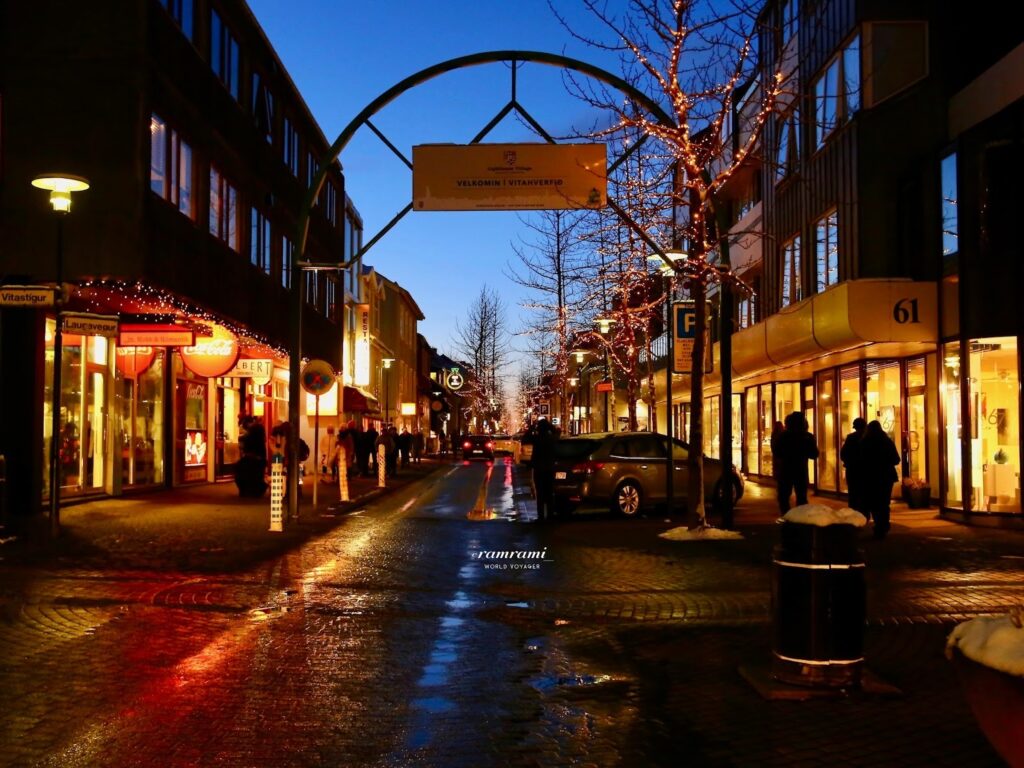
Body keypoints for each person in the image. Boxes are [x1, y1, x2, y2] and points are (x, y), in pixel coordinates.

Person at [772, 411, 820, 515]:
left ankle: (787, 516)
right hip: (801, 470)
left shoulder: (783, 436)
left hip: (785, 469)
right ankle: (800, 518)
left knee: (783, 497)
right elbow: (814, 454)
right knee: (801, 497)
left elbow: (777, 452)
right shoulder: (807, 437)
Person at [861, 419, 901, 539]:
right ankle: (883, 525)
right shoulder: (887, 441)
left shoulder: (865, 442)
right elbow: (896, 459)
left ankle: (879, 525)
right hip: (886, 476)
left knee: (873, 502)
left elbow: (860, 460)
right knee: (884, 502)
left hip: (870, 476)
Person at [530, 419, 558, 522]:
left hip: (539, 469)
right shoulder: (552, 439)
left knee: (540, 494)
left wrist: (532, 427)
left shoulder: (536, 439)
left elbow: (526, 438)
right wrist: (550, 426)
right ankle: (550, 515)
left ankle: (541, 516)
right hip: (550, 468)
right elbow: (557, 432)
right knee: (549, 493)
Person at [840, 417, 868, 517]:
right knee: (865, 493)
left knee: (853, 493)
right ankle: (864, 514)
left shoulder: (851, 438)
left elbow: (843, 454)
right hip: (866, 471)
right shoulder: (869, 437)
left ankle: (854, 514)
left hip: (853, 470)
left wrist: (848, 462)